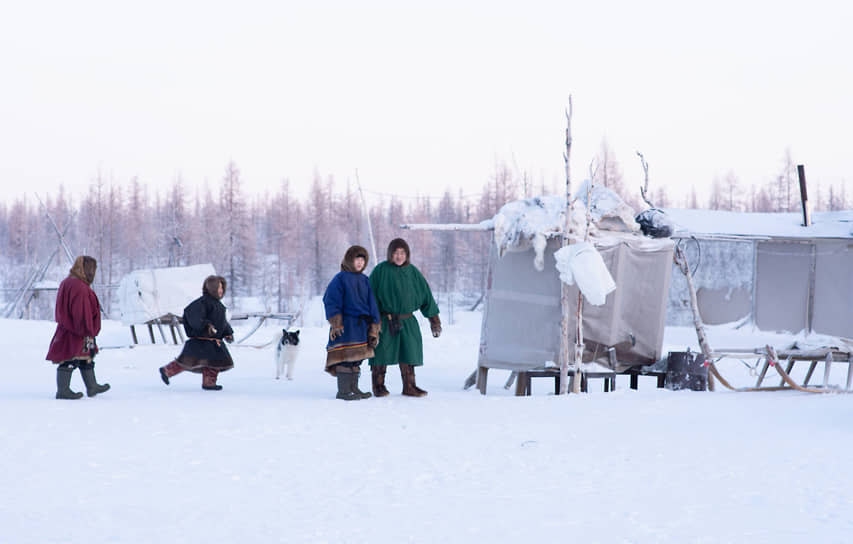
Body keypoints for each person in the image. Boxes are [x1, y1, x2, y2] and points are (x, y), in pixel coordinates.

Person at [368, 238, 440, 397]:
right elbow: (369, 296)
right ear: (390, 254)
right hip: (385, 320)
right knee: (381, 352)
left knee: (409, 351)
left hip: (407, 321)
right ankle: (378, 386)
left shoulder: (413, 272)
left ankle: (409, 386)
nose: (399, 256)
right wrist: (372, 321)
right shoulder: (380, 271)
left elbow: (425, 295)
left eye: (402, 253)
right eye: (396, 253)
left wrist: (434, 321)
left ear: (407, 254)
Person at [46, 255, 110, 399]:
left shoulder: (67, 283)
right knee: (70, 359)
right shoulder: (79, 287)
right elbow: (81, 312)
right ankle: (63, 390)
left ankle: (92, 386)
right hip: (78, 331)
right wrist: (88, 331)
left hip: (69, 329)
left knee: (86, 357)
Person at [323, 245, 381, 401]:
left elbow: (372, 303)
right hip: (346, 325)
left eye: (363, 260)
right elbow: (331, 300)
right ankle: (343, 391)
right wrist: (336, 322)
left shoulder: (365, 280)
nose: (360, 262)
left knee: (357, 358)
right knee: (345, 357)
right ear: (350, 260)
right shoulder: (340, 278)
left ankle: (353, 389)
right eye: (357, 259)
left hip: (361, 325)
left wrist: (374, 324)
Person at [159, 275, 234, 391]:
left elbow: (222, 322)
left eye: (222, 288)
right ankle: (167, 371)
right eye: (218, 288)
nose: (221, 290)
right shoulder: (202, 303)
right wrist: (206, 325)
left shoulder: (219, 305)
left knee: (215, 363)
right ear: (211, 288)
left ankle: (209, 383)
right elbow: (194, 316)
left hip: (214, 342)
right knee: (186, 362)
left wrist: (227, 332)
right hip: (200, 342)